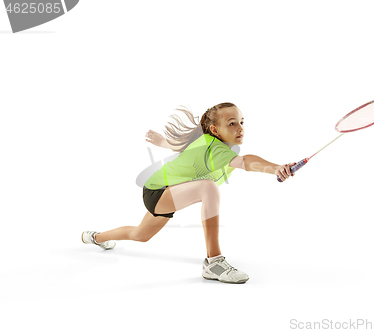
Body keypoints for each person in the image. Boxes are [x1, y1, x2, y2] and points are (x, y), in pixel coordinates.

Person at [82, 102, 296, 284]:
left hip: (161, 190)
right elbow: (245, 161)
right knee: (208, 187)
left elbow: (181, 146)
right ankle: (214, 262)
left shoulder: (207, 142)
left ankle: (95, 237)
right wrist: (276, 168)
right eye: (231, 124)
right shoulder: (215, 149)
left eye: (241, 122)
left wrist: (162, 142)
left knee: (140, 235)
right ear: (214, 129)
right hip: (159, 191)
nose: (240, 128)